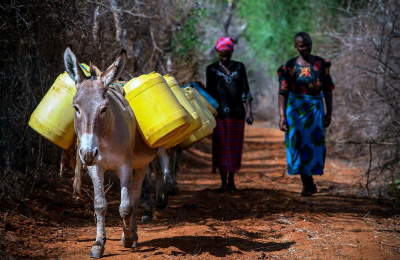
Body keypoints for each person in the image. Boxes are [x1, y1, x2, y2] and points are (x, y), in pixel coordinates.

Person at [277, 31, 334, 196]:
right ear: (296, 47)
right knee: (297, 143)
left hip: (316, 109)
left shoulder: (321, 64)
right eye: (302, 45)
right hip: (295, 111)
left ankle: (309, 181)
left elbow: (328, 89)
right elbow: (282, 92)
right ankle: (307, 182)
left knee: (314, 144)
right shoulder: (289, 67)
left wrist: (329, 112)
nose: (305, 48)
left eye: (308, 44)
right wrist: (282, 117)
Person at [205, 37, 254, 193]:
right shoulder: (211, 70)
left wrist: (249, 113)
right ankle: (223, 182)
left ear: (232, 52)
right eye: (221, 55)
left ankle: (231, 181)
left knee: (234, 147)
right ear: (217, 52)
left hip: (237, 114)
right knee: (220, 147)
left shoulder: (240, 68)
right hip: (218, 115)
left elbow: (246, 91)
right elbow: (210, 94)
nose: (224, 58)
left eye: (227, 54)